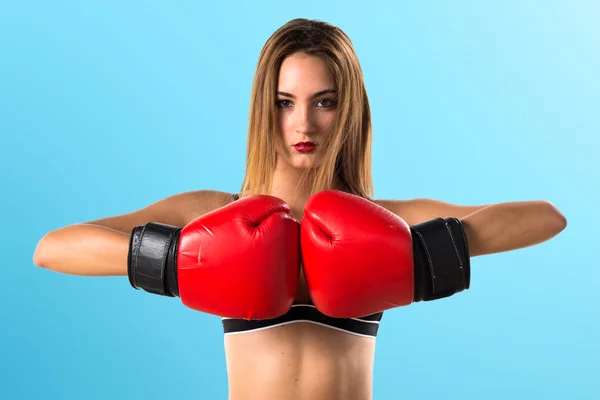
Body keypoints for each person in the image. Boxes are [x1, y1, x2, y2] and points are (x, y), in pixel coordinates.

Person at [32, 18, 567, 400]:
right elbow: (51, 249)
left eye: (324, 101)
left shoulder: (385, 218)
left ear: (348, 108)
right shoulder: (213, 211)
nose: (303, 125)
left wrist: (421, 259)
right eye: (285, 102)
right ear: (265, 106)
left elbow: (547, 218)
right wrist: (177, 260)